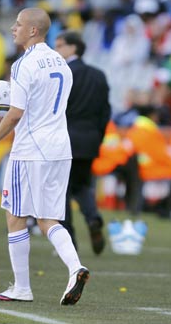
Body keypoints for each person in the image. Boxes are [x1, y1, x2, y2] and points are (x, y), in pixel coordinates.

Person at [0, 8, 89, 305]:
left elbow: (15, 114)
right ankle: (75, 267)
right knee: (48, 219)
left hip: (30, 150)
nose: (13, 28)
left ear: (33, 31)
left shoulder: (23, 64)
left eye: (18, 24)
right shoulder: (62, 63)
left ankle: (23, 288)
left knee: (15, 216)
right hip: (60, 149)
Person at [54, 30, 111, 255]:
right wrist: (98, 138)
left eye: (59, 46)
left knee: (62, 193)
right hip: (89, 141)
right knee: (82, 186)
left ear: (72, 48)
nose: (56, 51)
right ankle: (93, 218)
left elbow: (55, 110)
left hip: (64, 140)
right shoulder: (99, 75)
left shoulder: (62, 73)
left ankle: (69, 243)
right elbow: (105, 112)